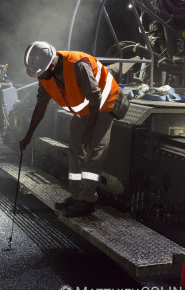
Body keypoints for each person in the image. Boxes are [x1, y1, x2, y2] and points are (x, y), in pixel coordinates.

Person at [20, 41, 129, 218]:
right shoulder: (45, 75)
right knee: (75, 150)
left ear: (52, 64)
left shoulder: (78, 65)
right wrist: (28, 135)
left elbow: (95, 98)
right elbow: (41, 105)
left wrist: (90, 129)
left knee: (94, 152)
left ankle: (87, 201)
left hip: (104, 106)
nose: (41, 77)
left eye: (42, 72)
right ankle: (77, 196)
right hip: (84, 111)